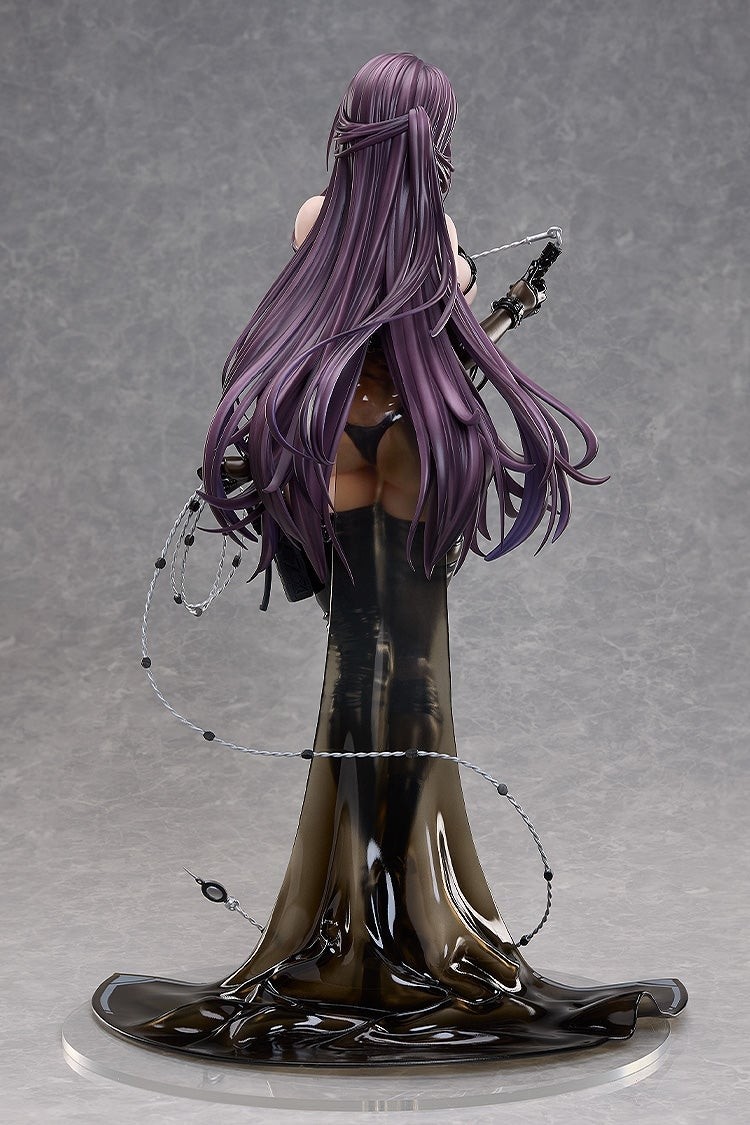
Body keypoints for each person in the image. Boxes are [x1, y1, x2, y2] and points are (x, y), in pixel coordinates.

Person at [92, 52, 687, 1065]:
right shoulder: (439, 237)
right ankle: (401, 914)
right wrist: (499, 311)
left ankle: (356, 915)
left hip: (336, 441)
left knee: (355, 654)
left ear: (354, 123)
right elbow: (445, 348)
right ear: (430, 132)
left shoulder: (316, 221)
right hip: (415, 443)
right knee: (409, 666)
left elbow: (323, 334)